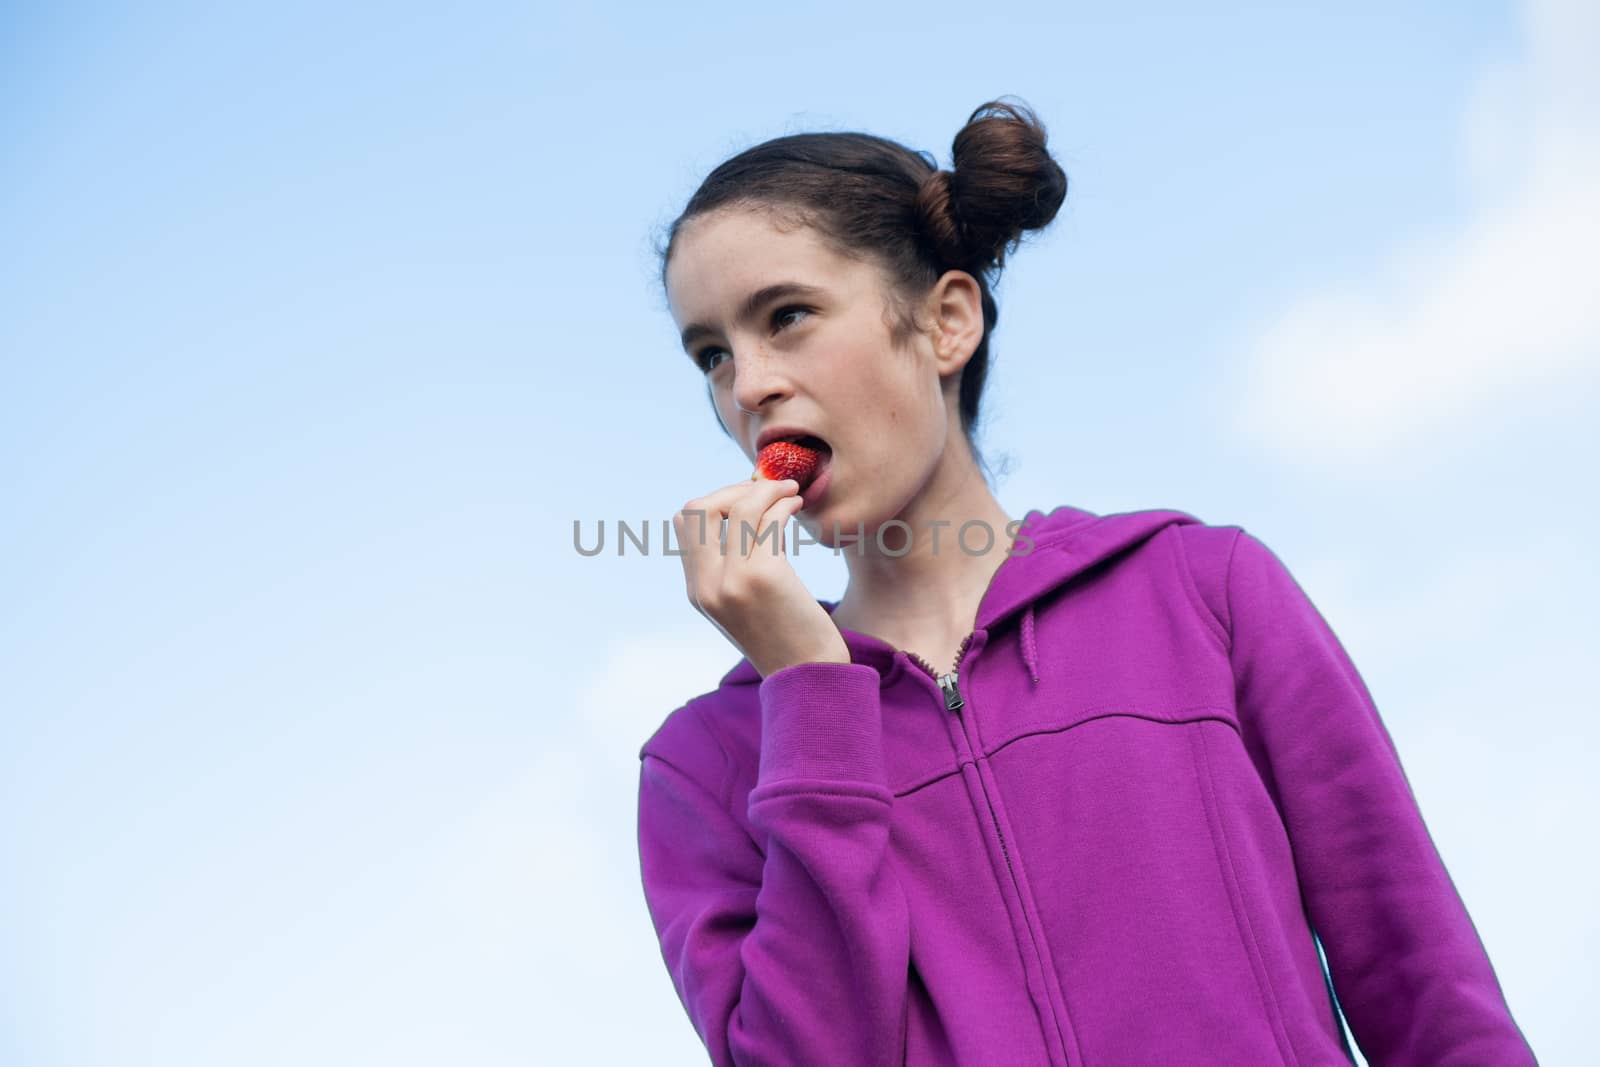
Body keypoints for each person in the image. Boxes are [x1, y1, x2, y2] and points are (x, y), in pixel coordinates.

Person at [635, 98, 1536, 1066]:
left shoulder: (1202, 591)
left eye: (789, 316)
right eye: (713, 352)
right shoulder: (708, 762)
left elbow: (1424, 984)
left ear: (944, 322)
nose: (748, 384)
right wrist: (809, 697)